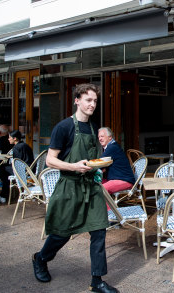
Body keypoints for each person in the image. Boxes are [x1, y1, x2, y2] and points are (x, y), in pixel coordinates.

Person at [32, 83, 117, 293]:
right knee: (62, 233)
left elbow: (91, 158)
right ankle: (40, 258)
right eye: (88, 100)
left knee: (99, 232)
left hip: (91, 187)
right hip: (69, 186)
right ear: (77, 100)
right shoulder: (63, 127)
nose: (92, 104)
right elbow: (50, 160)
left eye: (95, 101)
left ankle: (97, 281)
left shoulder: (92, 127)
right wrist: (73, 166)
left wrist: (100, 165)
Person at [0, 130, 35, 204]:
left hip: (23, 171)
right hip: (30, 169)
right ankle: (5, 192)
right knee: (5, 168)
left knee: (3, 168)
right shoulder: (25, 145)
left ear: (15, 138)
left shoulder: (17, 148)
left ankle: (4, 194)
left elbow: (17, 163)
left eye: (9, 137)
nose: (8, 139)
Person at [98, 127, 135, 194]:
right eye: (99, 137)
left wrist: (87, 168)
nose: (100, 139)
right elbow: (103, 166)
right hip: (117, 179)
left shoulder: (112, 148)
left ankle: (109, 205)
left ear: (110, 137)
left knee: (101, 190)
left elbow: (99, 164)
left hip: (124, 180)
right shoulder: (112, 146)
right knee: (95, 185)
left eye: (102, 136)